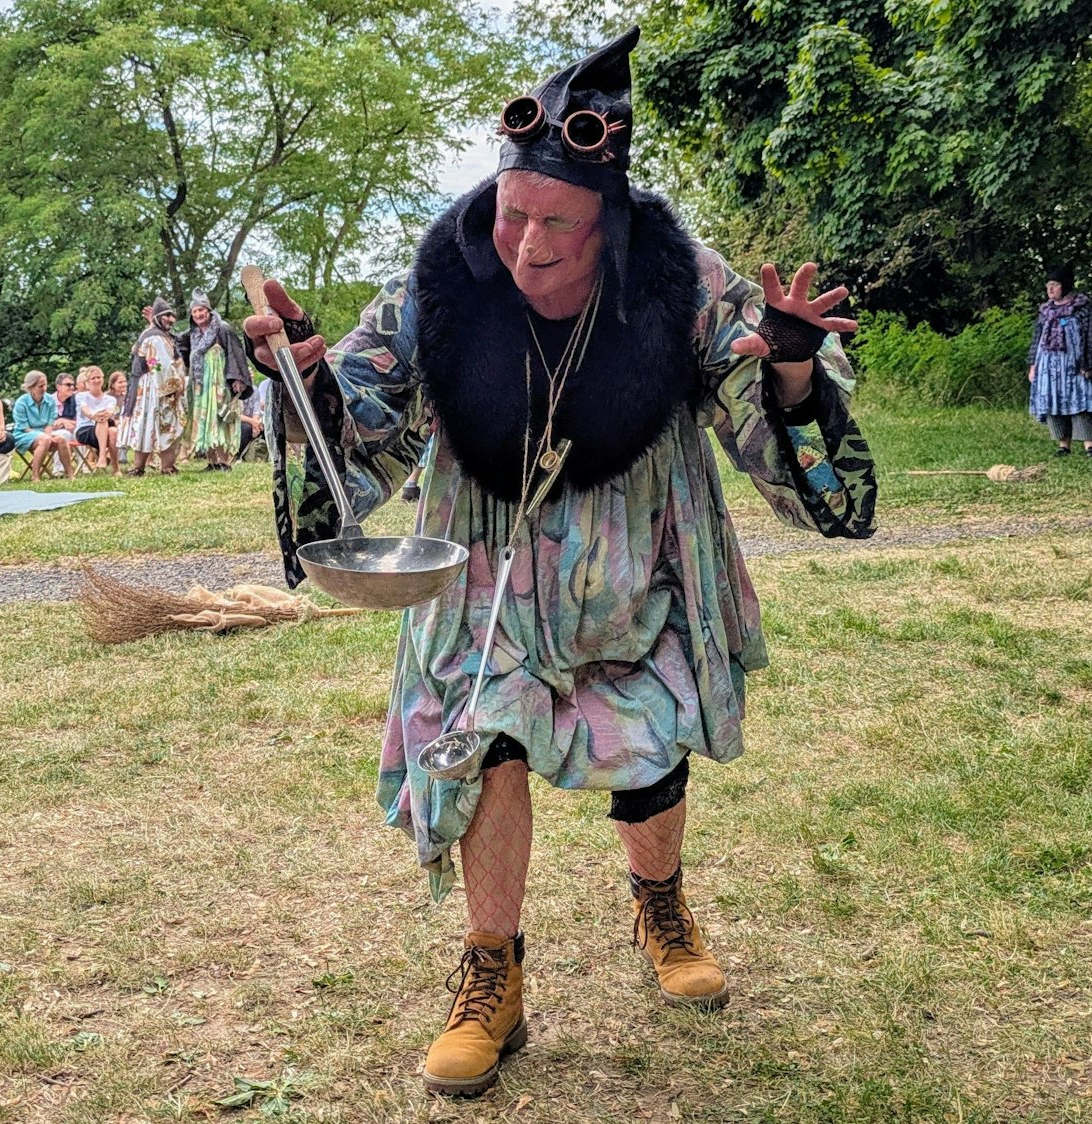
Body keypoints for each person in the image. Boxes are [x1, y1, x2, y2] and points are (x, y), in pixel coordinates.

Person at [239, 29, 876, 1098]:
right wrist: (307, 386)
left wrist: (800, 376)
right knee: (484, 731)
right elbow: (363, 430)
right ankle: (493, 969)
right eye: (514, 213)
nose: (528, 246)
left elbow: (790, 458)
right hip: (487, 569)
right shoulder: (440, 283)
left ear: (611, 223)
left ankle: (659, 896)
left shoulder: (684, 282)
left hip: (641, 553)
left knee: (653, 734)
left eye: (559, 226)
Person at [1028, 265, 1092, 457]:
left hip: (1075, 365)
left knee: (1081, 402)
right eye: (1048, 286)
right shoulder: (1045, 311)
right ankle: (1064, 445)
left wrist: (1089, 363)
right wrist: (1033, 365)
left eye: (1054, 285)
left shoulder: (1083, 308)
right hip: (1049, 367)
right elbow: (1037, 339)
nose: (1050, 289)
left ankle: (1089, 446)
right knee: (1053, 403)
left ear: (1065, 286)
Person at [123, 298, 187, 475]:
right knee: (161, 425)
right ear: (158, 318)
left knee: (149, 425)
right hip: (157, 388)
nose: (171, 319)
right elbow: (162, 366)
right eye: (166, 315)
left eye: (172, 316)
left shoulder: (154, 334)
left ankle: (141, 467)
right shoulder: (156, 338)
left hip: (149, 388)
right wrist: (176, 386)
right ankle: (163, 467)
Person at [186, 291, 248, 471]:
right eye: (195, 311)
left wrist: (238, 378)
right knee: (205, 420)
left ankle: (224, 461)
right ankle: (211, 461)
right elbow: (178, 346)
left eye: (201, 310)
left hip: (219, 382)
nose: (198, 315)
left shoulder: (223, 328)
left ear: (209, 311)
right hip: (201, 385)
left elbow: (236, 353)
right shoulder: (193, 333)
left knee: (220, 419)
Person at [11, 371, 77, 482]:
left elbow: (49, 424)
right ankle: (35, 476)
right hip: (24, 434)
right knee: (45, 439)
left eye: (45, 385)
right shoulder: (21, 403)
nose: (44, 388)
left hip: (45, 433)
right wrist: (45, 436)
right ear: (30, 387)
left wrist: (47, 434)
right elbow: (24, 427)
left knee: (61, 439)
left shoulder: (50, 400)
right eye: (40, 386)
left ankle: (70, 474)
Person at [73, 365, 121, 474]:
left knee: (113, 430)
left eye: (98, 377)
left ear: (103, 379)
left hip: (105, 430)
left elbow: (110, 411)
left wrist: (105, 414)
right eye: (93, 378)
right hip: (85, 430)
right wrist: (93, 416)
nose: (96, 380)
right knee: (102, 420)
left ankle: (116, 468)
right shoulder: (81, 396)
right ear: (87, 381)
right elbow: (85, 409)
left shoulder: (110, 399)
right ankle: (103, 456)